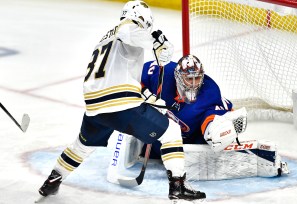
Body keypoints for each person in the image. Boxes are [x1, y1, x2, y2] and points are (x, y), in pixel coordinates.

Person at [37, 1, 206, 202]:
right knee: (171, 132)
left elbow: (125, 67)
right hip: (119, 104)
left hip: (94, 107)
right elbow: (131, 32)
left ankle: (52, 181)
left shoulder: (105, 38)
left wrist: (144, 93)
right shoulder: (128, 28)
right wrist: (155, 40)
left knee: (82, 146)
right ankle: (178, 186)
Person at [139, 54, 289, 179]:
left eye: (196, 78)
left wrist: (216, 130)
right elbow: (137, 75)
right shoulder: (164, 72)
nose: (192, 84)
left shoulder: (209, 93)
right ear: (178, 77)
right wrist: (145, 93)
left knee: (214, 138)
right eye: (188, 79)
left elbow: (211, 121)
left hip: (190, 141)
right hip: (157, 136)